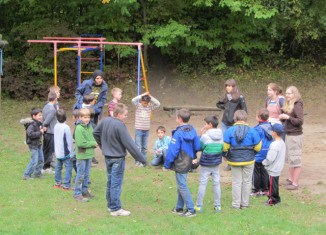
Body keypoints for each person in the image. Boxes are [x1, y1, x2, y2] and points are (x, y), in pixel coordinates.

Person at [93, 103, 146, 216]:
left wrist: (103, 146)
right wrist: (142, 158)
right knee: (116, 183)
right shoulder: (120, 125)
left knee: (110, 182)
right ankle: (116, 209)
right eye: (125, 115)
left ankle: (110, 205)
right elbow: (129, 144)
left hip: (108, 157)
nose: (126, 117)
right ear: (119, 114)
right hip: (117, 158)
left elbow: (95, 132)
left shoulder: (105, 120)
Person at [164, 109, 201, 217]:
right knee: (181, 184)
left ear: (179, 119)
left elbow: (172, 151)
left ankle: (191, 209)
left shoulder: (178, 133)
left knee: (182, 185)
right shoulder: (193, 130)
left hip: (180, 161)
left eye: (176, 117)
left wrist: (166, 164)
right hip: (188, 160)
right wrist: (193, 156)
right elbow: (198, 146)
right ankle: (179, 207)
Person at [223, 110, 262, 209]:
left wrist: (225, 156)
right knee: (247, 182)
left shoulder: (229, 131)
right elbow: (258, 146)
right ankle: (244, 204)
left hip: (234, 160)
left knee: (236, 182)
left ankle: (235, 204)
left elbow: (225, 146)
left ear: (234, 119)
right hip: (249, 160)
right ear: (246, 119)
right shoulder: (253, 130)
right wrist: (253, 153)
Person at [193, 115, 223, 213]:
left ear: (210, 125)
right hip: (216, 162)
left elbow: (198, 146)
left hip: (206, 162)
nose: (204, 125)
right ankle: (217, 206)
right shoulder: (221, 135)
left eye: (206, 124)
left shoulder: (205, 136)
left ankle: (198, 205)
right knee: (216, 183)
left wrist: (200, 135)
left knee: (203, 183)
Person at [216, 79, 247, 171]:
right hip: (224, 122)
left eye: (230, 86)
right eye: (227, 86)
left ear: (234, 87)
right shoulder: (226, 96)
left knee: (234, 143)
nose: (228, 88)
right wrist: (224, 107)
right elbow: (218, 104)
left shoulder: (240, 97)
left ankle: (233, 160)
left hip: (234, 123)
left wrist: (240, 119)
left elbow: (244, 110)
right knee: (225, 142)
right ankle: (228, 161)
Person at [279, 86, 304, 190]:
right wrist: (282, 119)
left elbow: (300, 121)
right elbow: (288, 120)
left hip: (295, 135)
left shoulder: (297, 105)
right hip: (289, 133)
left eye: (289, 93)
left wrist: (288, 117)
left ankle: (295, 183)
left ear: (295, 94)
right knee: (290, 158)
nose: (287, 95)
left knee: (295, 159)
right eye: (286, 93)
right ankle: (290, 179)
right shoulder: (289, 104)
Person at [73, 108, 97, 202]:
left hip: (89, 154)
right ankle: (77, 193)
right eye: (85, 117)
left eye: (88, 117)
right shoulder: (79, 128)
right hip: (82, 155)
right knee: (80, 175)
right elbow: (80, 143)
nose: (87, 119)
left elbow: (92, 137)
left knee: (87, 174)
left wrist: (94, 143)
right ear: (80, 117)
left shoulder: (89, 126)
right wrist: (93, 143)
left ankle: (84, 191)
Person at [132, 92, 160, 166]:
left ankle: (143, 161)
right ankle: (138, 161)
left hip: (146, 130)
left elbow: (158, 103)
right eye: (144, 103)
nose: (145, 104)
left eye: (147, 103)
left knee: (144, 147)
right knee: (138, 147)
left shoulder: (149, 107)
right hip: (139, 129)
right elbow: (133, 100)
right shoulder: (138, 106)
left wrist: (150, 96)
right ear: (141, 101)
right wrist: (142, 95)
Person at [263, 123, 286, 206]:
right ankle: (277, 198)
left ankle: (272, 200)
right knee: (275, 185)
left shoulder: (274, 144)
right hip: (278, 167)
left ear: (275, 132)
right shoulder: (282, 142)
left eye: (272, 131)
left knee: (272, 185)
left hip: (273, 168)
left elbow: (270, 158)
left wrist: (264, 162)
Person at [251, 108, 273, 197]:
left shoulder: (257, 129)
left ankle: (256, 190)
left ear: (259, 117)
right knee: (265, 171)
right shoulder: (271, 127)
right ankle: (265, 189)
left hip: (258, 153)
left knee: (256, 171)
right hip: (268, 152)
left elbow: (254, 141)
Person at [22, 108, 45, 180]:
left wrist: (42, 130)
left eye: (41, 115)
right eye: (39, 115)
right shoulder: (32, 124)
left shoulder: (38, 123)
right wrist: (40, 132)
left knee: (41, 159)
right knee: (34, 161)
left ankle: (37, 173)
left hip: (38, 144)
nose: (41, 117)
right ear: (34, 116)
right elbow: (30, 134)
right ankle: (26, 175)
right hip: (33, 145)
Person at [53, 109, 74, 190]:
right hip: (65, 153)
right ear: (65, 117)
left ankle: (58, 182)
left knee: (58, 167)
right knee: (68, 168)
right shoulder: (66, 127)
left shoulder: (55, 126)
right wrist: (71, 152)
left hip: (57, 152)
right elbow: (69, 141)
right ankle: (66, 185)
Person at [42, 91, 57, 173]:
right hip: (50, 132)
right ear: (55, 99)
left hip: (46, 132)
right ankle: (46, 167)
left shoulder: (45, 107)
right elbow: (47, 121)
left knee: (46, 149)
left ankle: (44, 165)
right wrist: (44, 126)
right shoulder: (52, 109)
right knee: (49, 150)